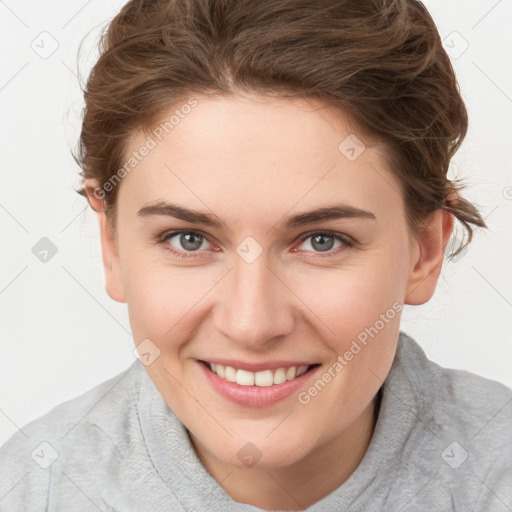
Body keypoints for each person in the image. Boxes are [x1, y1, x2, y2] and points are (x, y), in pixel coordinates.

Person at [1, 0, 510, 510]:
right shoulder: (29, 489)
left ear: (424, 251)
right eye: (189, 239)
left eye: (321, 240)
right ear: (111, 246)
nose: (252, 324)